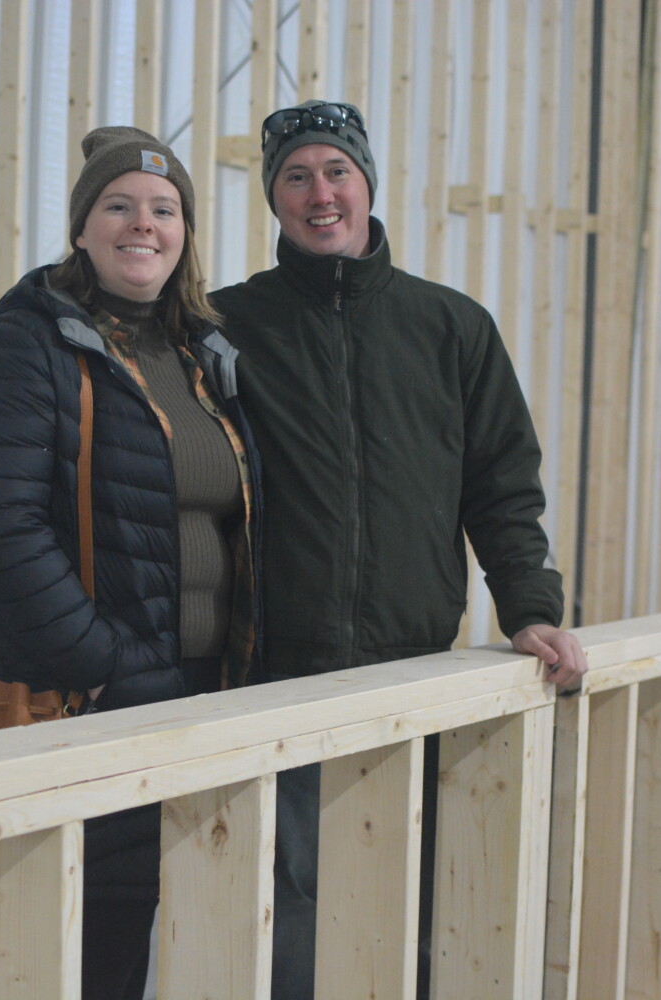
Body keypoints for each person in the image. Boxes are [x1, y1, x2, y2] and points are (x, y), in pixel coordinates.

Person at [210, 100, 588, 999]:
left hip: (417, 669)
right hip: (281, 673)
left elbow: (501, 485)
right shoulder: (226, 325)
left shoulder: (450, 327)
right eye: (295, 177)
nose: (319, 193)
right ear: (275, 200)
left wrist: (530, 610)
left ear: (368, 184)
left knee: (420, 899)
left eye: (335, 172)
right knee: (295, 910)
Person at [0, 126, 260, 1000]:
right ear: (83, 227)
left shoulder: (202, 353)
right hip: (86, 700)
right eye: (117, 205)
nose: (143, 224)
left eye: (165, 209)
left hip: (204, 696)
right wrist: (110, 666)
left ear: (185, 233)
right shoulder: (31, 340)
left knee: (193, 941)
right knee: (87, 957)